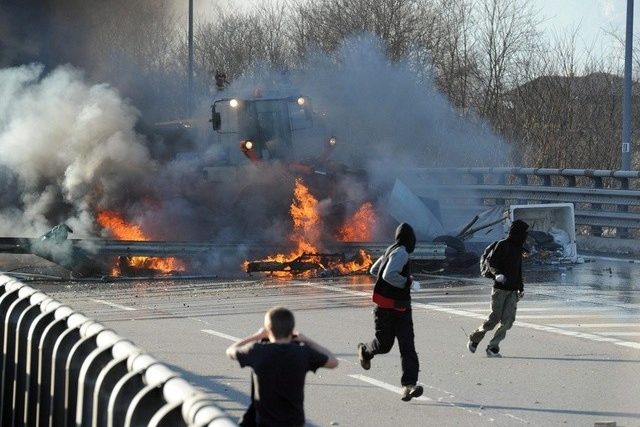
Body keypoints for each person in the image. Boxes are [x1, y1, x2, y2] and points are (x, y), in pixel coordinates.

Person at [226, 306, 339, 427]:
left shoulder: (257, 351)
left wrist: (257, 336)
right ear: (291, 330)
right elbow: (333, 362)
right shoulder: (302, 352)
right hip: (294, 422)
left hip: (265, 423)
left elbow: (230, 351)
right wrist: (307, 340)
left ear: (268, 330)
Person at [356, 222, 423, 402]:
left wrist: (394, 282)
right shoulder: (401, 253)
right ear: (410, 239)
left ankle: (409, 385)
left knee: (407, 347)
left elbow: (374, 270)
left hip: (392, 308)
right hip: (393, 309)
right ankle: (365, 350)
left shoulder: (391, 249)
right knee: (385, 345)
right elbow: (387, 275)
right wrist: (408, 283)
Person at [467, 219, 529, 357]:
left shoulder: (518, 248)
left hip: (513, 290)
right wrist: (497, 274)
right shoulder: (502, 245)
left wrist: (521, 287)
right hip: (500, 289)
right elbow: (492, 263)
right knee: (494, 319)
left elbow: (518, 270)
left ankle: (493, 347)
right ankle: (475, 338)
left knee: (508, 321)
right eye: (523, 233)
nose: (525, 236)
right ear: (516, 232)